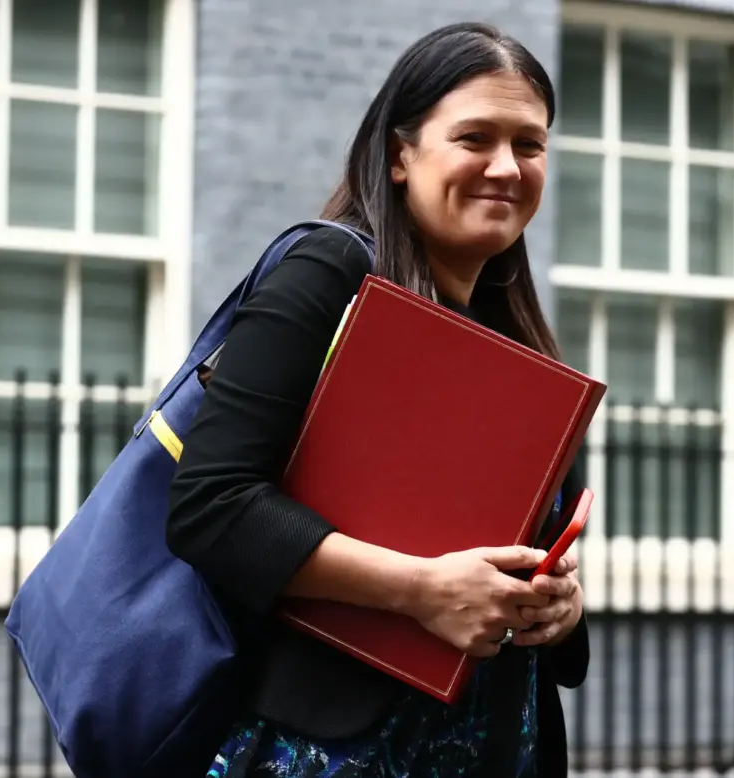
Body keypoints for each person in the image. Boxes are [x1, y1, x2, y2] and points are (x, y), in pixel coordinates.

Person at [166, 21, 589, 778]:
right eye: (475, 138)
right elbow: (212, 507)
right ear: (401, 155)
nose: (507, 167)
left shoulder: (526, 345)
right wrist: (422, 590)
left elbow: (515, 558)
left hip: (497, 740)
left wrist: (560, 612)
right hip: (337, 748)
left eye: (529, 145)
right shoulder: (326, 272)